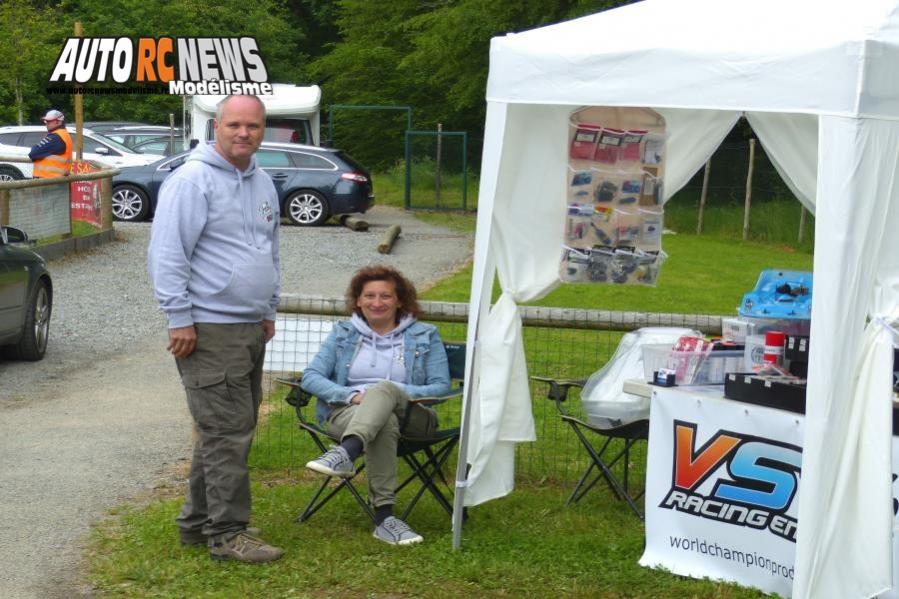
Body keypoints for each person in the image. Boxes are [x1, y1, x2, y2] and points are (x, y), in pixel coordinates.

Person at [147, 94, 283, 563]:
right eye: (234, 125)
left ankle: (197, 522)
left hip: (249, 325)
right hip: (208, 328)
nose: (244, 133)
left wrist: (268, 308)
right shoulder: (191, 180)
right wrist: (179, 317)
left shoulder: (262, 181)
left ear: (263, 129)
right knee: (227, 432)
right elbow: (167, 254)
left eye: (253, 126)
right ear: (216, 127)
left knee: (226, 428)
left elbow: (269, 249)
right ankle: (227, 534)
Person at [301, 265, 451, 545]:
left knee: (384, 389)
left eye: (386, 296)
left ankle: (347, 451)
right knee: (384, 422)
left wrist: (390, 392)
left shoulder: (425, 335)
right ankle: (385, 520)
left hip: (413, 417)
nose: (377, 302)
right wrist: (351, 396)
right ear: (358, 301)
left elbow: (441, 386)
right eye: (369, 296)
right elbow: (310, 376)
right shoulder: (343, 333)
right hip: (350, 412)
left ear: (399, 300)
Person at [28, 109, 73, 178]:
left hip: (50, 180)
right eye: (45, 121)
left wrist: (34, 147)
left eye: (49, 121)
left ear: (59, 122)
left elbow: (33, 153)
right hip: (56, 179)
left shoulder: (56, 137)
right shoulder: (63, 134)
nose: (46, 123)